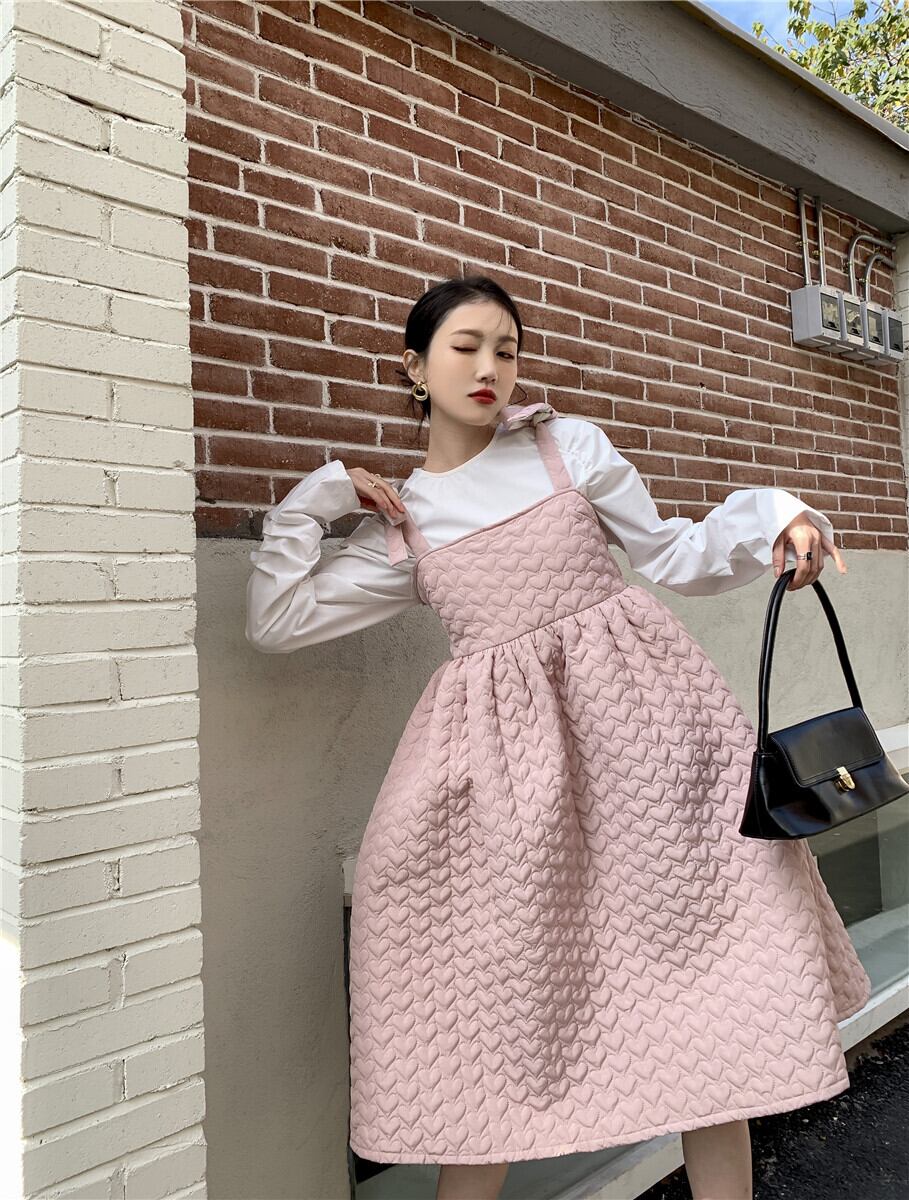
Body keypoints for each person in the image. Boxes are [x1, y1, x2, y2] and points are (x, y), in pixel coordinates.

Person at [246, 275, 871, 1200]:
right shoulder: (405, 520)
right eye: (464, 347)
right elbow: (277, 621)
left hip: (654, 752)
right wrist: (320, 498)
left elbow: (673, 555)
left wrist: (775, 512)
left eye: (505, 349)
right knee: (497, 1041)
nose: (489, 367)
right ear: (414, 367)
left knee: (712, 1013)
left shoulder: (564, 446)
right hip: (509, 792)